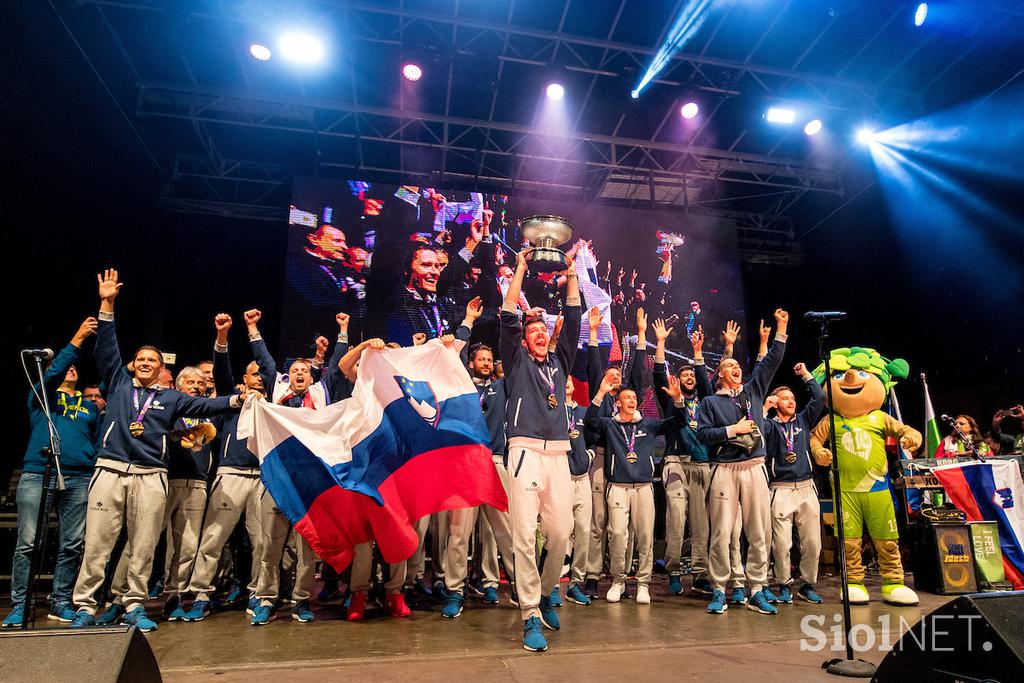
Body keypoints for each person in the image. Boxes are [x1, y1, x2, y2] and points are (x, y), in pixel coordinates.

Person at [70, 269, 247, 632]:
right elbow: (107, 346)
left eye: (153, 360)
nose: (146, 362)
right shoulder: (119, 383)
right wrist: (107, 304)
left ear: (162, 368)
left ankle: (135, 604)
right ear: (134, 365)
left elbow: (206, 407)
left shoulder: (170, 397)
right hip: (111, 470)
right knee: (98, 544)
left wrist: (238, 398)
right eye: (141, 359)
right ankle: (85, 605)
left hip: (151, 476)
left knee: (145, 546)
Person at [499, 247, 581, 653]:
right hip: (525, 451)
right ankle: (530, 611)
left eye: (543, 328)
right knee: (522, 537)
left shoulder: (560, 362)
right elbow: (509, 313)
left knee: (562, 531)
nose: (538, 331)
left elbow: (576, 322)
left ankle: (550, 590)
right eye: (532, 328)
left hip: (558, 455)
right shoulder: (515, 362)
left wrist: (572, 273)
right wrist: (519, 268)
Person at [178, 313, 276, 623]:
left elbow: (270, 367)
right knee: (214, 537)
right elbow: (221, 372)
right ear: (243, 380)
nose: (259, 377)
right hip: (231, 474)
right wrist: (222, 336)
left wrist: (252, 330)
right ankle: (202, 593)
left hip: (263, 477)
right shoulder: (232, 400)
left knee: (263, 541)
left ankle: (259, 595)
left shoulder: (275, 402)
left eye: (262, 375)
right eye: (253, 374)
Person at [3, 318, 100, 628]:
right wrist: (78, 338)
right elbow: (56, 369)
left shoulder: (89, 407)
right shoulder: (42, 399)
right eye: (63, 368)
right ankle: (21, 603)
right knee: (28, 542)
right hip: (37, 474)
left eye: (74, 367)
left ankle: (60, 600)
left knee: (72, 543)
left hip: (79, 478)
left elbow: (96, 443)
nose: (70, 370)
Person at [696, 308, 789, 616]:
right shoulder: (710, 402)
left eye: (738, 365)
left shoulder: (753, 391)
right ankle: (720, 589)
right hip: (725, 470)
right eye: (730, 365)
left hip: (754, 467)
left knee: (759, 530)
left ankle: (758, 588)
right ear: (720, 374)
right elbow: (704, 435)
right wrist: (731, 430)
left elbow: (771, 361)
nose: (736, 368)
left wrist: (781, 327)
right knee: (722, 532)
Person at [586, 318, 685, 605]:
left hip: (643, 487)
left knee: (644, 536)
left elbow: (677, 423)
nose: (630, 400)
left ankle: (642, 584)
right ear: (618, 402)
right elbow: (590, 422)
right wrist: (602, 391)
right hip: (617, 487)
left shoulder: (650, 424)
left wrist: (678, 401)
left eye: (634, 398)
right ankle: (617, 581)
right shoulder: (609, 424)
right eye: (625, 397)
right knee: (617, 536)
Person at [440, 298, 516, 618]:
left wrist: (508, 322)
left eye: (489, 359)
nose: (485, 362)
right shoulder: (461, 386)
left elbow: (514, 358)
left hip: (496, 462)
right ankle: (455, 590)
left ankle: (522, 587)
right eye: (480, 358)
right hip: (466, 464)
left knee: (507, 532)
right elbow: (453, 353)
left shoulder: (502, 388)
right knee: (459, 534)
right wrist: (468, 320)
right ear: (471, 363)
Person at [583, 307, 644, 598]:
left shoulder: (624, 401)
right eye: (610, 375)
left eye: (618, 375)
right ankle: (593, 574)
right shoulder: (600, 396)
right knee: (598, 521)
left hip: (624, 465)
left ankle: (623, 575)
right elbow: (595, 365)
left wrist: (642, 337)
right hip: (601, 459)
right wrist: (593, 333)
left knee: (626, 526)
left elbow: (637, 374)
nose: (615, 377)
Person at [652, 319, 714, 597]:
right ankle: (674, 570)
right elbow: (657, 376)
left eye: (692, 375)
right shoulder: (670, 400)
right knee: (677, 518)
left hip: (701, 463)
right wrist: (661, 343)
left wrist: (697, 352)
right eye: (684, 375)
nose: (689, 378)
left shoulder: (706, 402)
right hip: (676, 461)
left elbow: (704, 379)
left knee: (701, 523)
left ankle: (701, 574)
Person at [762, 363, 826, 605]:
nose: (791, 401)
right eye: (784, 399)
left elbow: (819, 396)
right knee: (781, 544)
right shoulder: (769, 425)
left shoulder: (803, 420)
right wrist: (765, 407)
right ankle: (784, 584)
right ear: (776, 403)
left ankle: (807, 584)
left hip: (807, 487)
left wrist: (806, 375)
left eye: (792, 398)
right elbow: (754, 426)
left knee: (812, 542)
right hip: (781, 489)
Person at [160, 367, 218, 617]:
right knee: (147, 541)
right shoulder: (170, 410)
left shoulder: (209, 416)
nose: (196, 386)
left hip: (197, 484)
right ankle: (124, 598)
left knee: (187, 546)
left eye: (200, 383)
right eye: (190, 382)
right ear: (179, 387)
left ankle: (175, 596)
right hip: (166, 481)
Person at [563, 375, 593, 606]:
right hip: (560, 478)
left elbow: (595, 435)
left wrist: (589, 455)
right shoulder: (550, 410)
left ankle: (576, 582)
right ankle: (552, 583)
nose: (566, 383)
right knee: (558, 534)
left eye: (569, 380)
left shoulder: (583, 412)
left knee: (583, 530)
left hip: (582, 478)